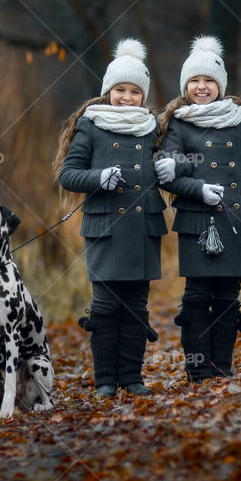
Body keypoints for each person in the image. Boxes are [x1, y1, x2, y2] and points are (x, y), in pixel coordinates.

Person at [156, 35, 241, 382]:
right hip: (197, 222)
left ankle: (221, 368)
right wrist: (198, 189)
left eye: (209, 81)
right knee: (197, 296)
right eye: (195, 81)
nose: (202, 87)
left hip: (237, 218)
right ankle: (198, 370)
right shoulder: (179, 121)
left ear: (220, 85)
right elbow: (168, 170)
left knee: (229, 296)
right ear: (186, 85)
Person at [55, 38, 166, 397]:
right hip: (105, 228)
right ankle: (104, 380)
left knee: (136, 307)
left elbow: (170, 166)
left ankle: (132, 378)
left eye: (135, 91)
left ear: (142, 96)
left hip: (144, 228)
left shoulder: (153, 127)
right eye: (120, 89)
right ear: (108, 90)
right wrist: (97, 178)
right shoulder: (91, 125)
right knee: (104, 307)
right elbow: (67, 174)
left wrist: (171, 168)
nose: (127, 97)